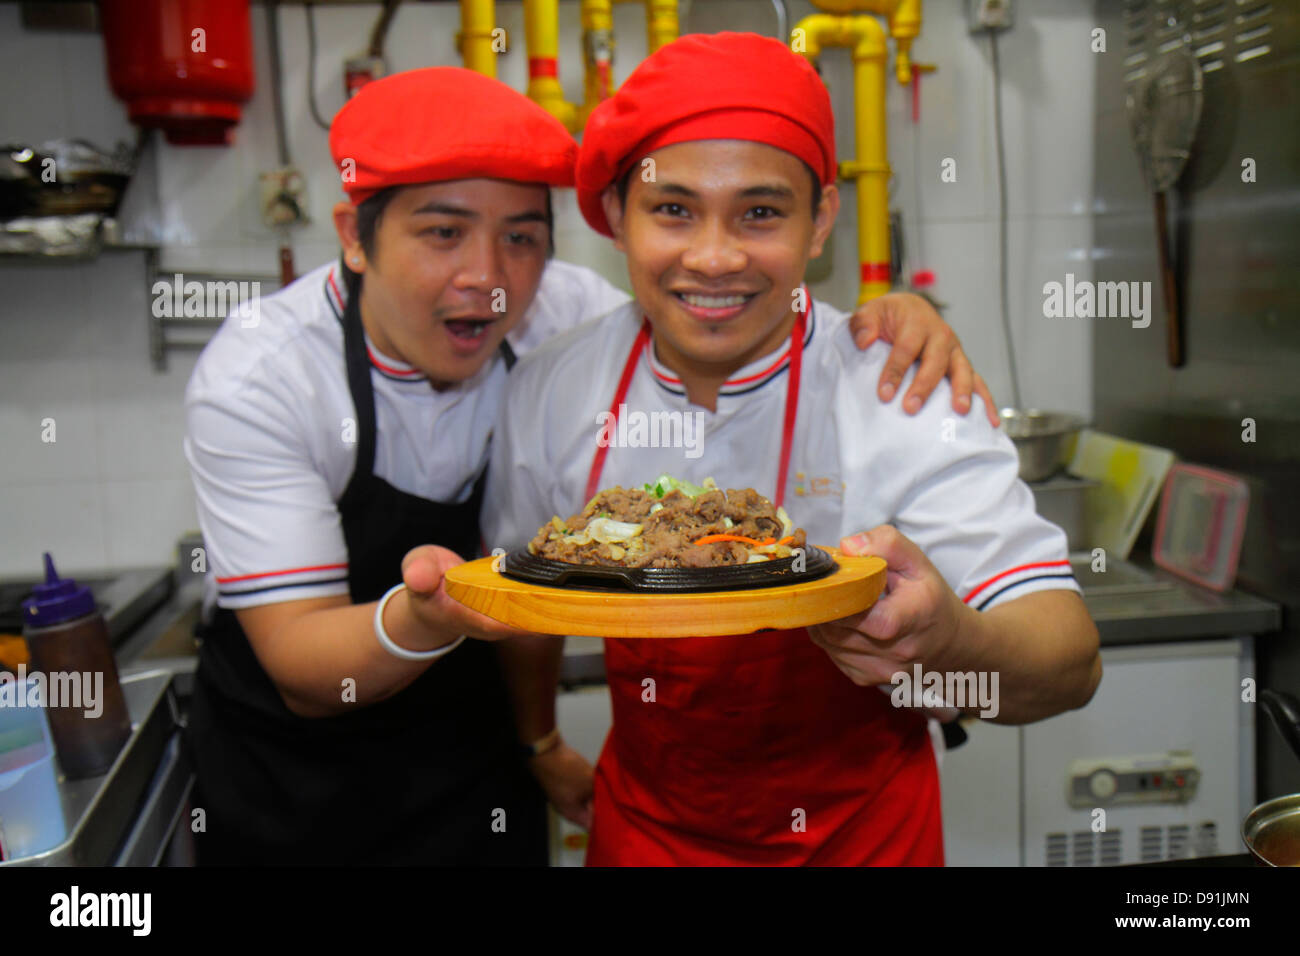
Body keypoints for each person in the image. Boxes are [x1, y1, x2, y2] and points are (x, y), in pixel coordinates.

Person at [184, 64, 995, 865]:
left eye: (522, 238)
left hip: (475, 747)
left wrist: (892, 320)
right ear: (354, 237)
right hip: (298, 773)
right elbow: (300, 666)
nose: (489, 280)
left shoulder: (565, 315)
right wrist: (432, 614)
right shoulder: (267, 375)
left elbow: (724, 315)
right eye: (442, 232)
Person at [480, 33, 1102, 866]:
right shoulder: (555, 387)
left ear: (823, 221)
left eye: (761, 213)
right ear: (618, 221)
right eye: (672, 209)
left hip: (864, 838)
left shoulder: (901, 388)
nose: (714, 257)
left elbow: (1068, 667)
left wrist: (948, 644)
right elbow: (521, 600)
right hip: (647, 834)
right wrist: (540, 742)